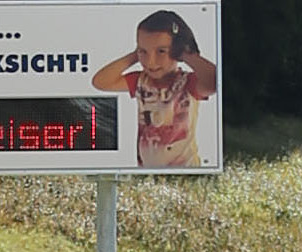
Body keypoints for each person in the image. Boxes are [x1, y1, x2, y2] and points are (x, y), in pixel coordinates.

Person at [91, 9, 217, 167]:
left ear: (177, 50)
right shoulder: (141, 81)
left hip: (185, 171)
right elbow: (101, 82)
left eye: (161, 51)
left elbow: (214, 82)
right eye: (143, 51)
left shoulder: (188, 83)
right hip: (148, 173)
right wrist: (135, 55)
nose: (150, 61)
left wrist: (187, 54)